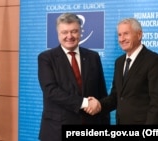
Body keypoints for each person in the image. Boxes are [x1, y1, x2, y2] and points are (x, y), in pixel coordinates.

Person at [37, 13, 110, 141]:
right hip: (57, 131)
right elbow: (51, 91)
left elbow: (101, 92)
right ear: (58, 33)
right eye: (64, 32)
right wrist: (85, 102)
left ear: (80, 32)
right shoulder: (46, 58)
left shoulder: (93, 57)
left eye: (74, 31)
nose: (69, 36)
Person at [85, 18, 158, 124]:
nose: (122, 39)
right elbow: (116, 96)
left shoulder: (154, 61)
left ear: (139, 35)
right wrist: (99, 105)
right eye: (119, 35)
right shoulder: (119, 62)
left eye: (126, 34)